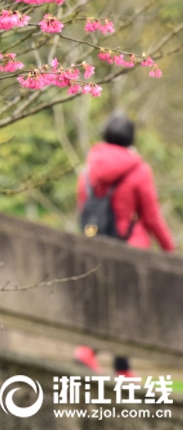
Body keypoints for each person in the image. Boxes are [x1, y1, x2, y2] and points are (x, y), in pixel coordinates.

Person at [73, 112, 176, 376]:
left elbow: (83, 205)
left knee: (106, 301)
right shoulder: (139, 170)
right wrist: (170, 251)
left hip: (96, 242)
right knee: (127, 306)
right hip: (130, 246)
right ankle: (105, 359)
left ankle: (111, 362)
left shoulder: (90, 166)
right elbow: (151, 217)